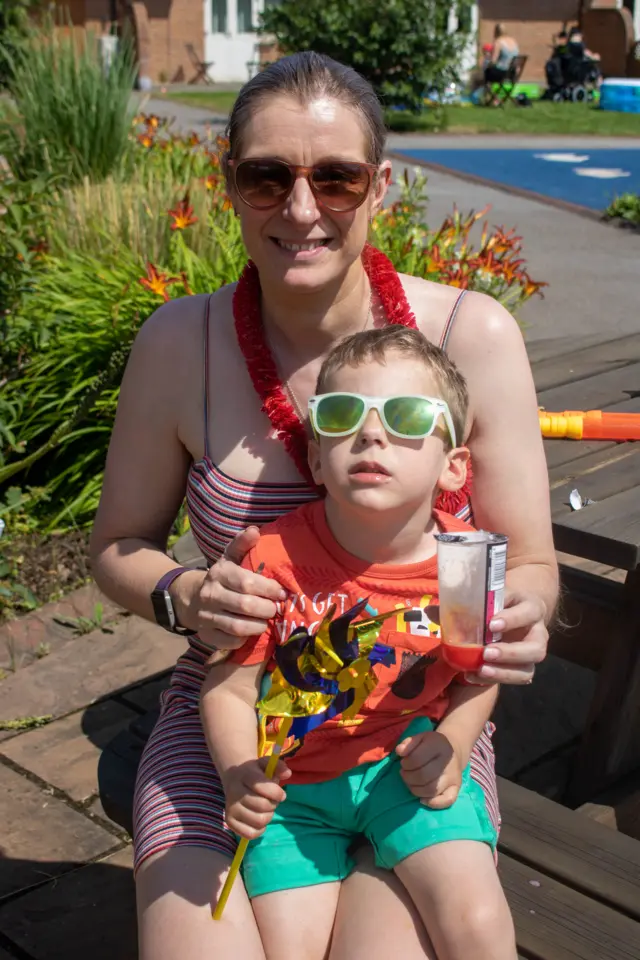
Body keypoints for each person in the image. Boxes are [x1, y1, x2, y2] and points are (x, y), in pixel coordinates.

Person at [90, 50, 557, 960]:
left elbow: (528, 562)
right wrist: (181, 594)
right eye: (268, 177)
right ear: (229, 187)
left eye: (335, 179)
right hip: (235, 729)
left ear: (380, 188)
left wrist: (521, 616)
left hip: (417, 729)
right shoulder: (178, 341)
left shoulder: (470, 335)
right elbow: (117, 547)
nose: (301, 210)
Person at [201, 326, 518, 960]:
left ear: (453, 466)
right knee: (293, 951)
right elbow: (229, 688)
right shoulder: (274, 558)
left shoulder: (466, 565)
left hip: (406, 774)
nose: (372, 433)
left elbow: (478, 676)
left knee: (477, 922)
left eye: (406, 418)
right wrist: (238, 776)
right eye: (343, 415)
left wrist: (453, 746)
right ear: (316, 458)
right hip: (293, 795)